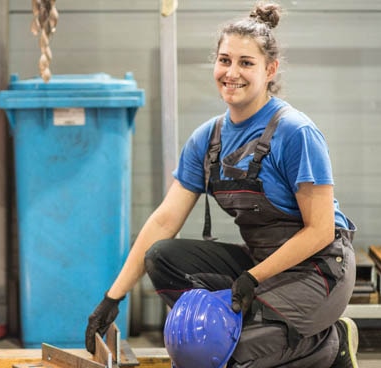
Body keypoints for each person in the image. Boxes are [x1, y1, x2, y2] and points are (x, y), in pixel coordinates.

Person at [85, 2, 359, 367]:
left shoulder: (295, 133)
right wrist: (113, 298)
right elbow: (165, 221)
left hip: (319, 271)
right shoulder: (207, 139)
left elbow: (321, 230)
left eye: (246, 63)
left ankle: (329, 343)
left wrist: (252, 278)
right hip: (261, 263)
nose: (232, 73)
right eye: (225, 60)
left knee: (231, 352)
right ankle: (263, 329)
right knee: (162, 258)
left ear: (270, 69)